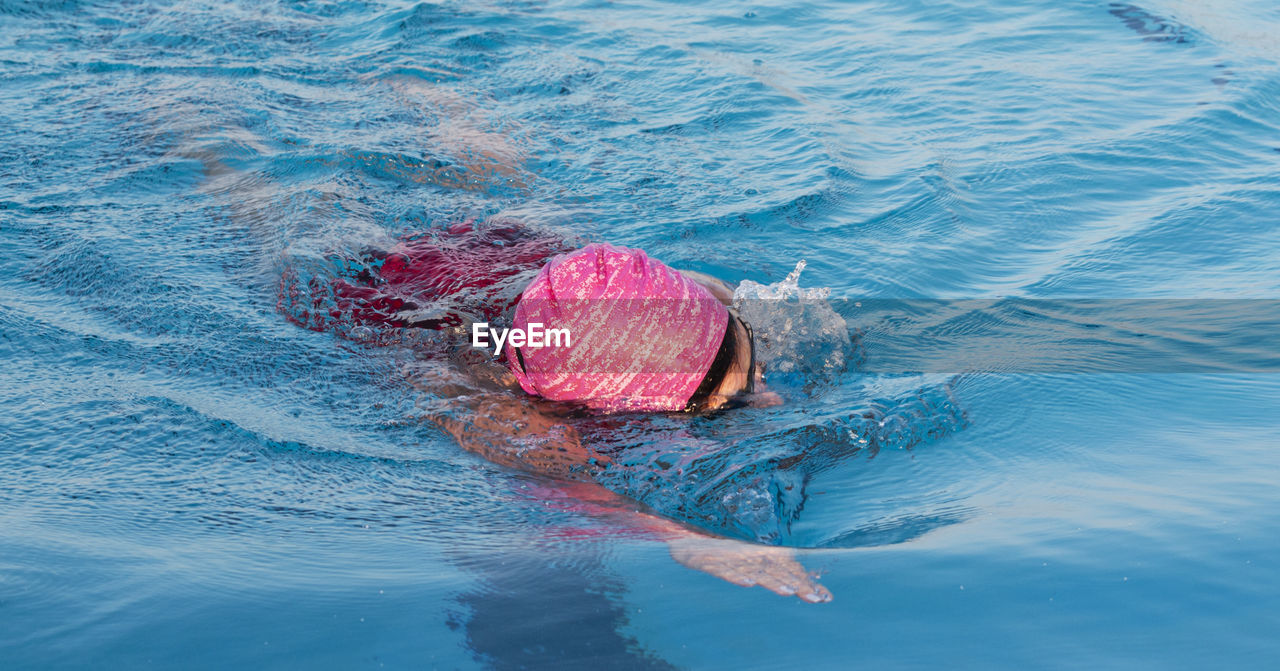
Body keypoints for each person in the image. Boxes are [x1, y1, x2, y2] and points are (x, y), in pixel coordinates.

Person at [281, 221, 832, 602]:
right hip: (383, 302)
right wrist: (683, 534)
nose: (769, 388)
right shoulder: (502, 408)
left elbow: (706, 303)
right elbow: (543, 461)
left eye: (751, 349)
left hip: (512, 261)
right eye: (741, 391)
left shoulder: (602, 298)